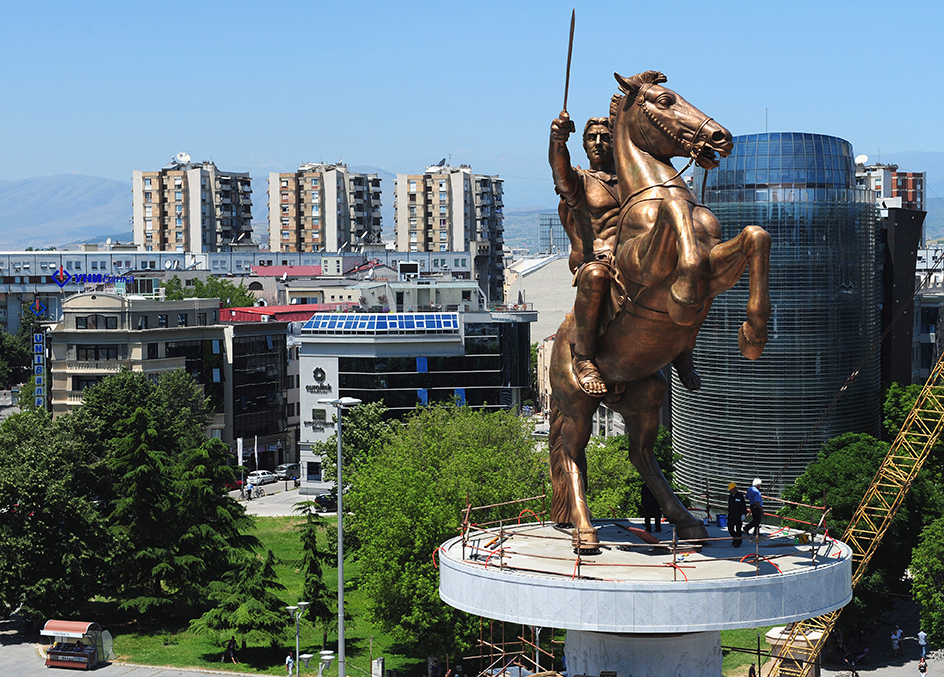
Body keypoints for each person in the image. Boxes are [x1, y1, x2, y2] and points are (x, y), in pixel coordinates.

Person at [727, 482, 746, 547]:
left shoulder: (740, 496)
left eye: (731, 489)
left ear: (734, 489)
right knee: (730, 528)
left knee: (738, 529)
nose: (730, 490)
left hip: (738, 515)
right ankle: (735, 538)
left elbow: (743, 505)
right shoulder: (730, 496)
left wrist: (743, 514)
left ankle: (738, 542)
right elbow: (729, 506)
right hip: (731, 515)